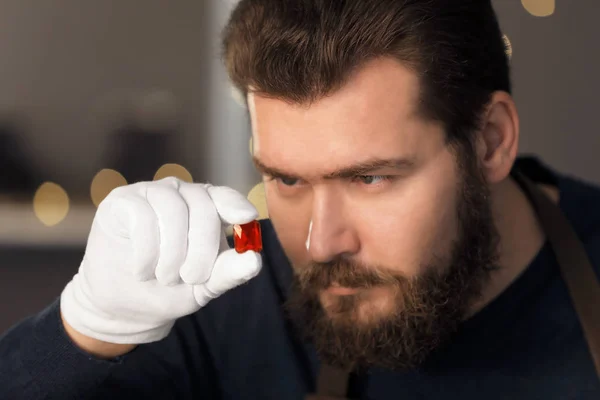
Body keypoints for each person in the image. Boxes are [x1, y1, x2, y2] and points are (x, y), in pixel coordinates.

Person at [1, 0, 599, 398]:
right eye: (288, 180)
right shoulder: (233, 290)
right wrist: (82, 332)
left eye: (370, 179)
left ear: (490, 141)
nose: (320, 243)